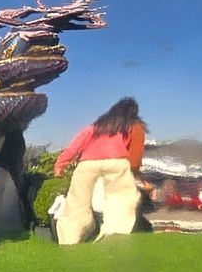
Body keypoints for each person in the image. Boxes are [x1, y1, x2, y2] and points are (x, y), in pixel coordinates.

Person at [54, 98, 147, 244]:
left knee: (76, 203)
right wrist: (134, 170)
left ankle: (69, 239)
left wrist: (61, 164)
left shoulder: (96, 126)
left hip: (87, 164)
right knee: (121, 199)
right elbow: (136, 153)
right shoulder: (132, 125)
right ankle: (113, 235)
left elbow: (75, 145)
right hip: (116, 162)